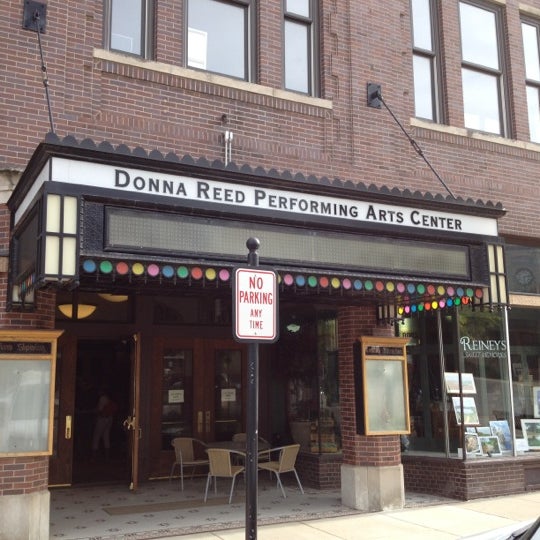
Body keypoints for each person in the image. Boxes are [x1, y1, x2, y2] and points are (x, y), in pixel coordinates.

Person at [91, 389, 117, 460]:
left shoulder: (102, 398)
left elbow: (100, 410)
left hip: (102, 419)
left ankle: (94, 456)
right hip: (109, 419)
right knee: (106, 436)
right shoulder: (109, 398)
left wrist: (94, 412)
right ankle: (107, 456)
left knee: (96, 436)